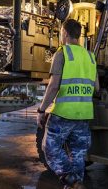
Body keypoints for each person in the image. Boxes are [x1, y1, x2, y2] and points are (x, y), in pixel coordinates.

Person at [36, 19, 99, 189]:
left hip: (64, 113)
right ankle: (76, 185)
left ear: (64, 32)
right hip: (84, 114)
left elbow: (54, 85)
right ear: (79, 35)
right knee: (78, 154)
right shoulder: (91, 57)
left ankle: (71, 180)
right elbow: (97, 87)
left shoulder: (62, 52)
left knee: (49, 147)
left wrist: (41, 110)